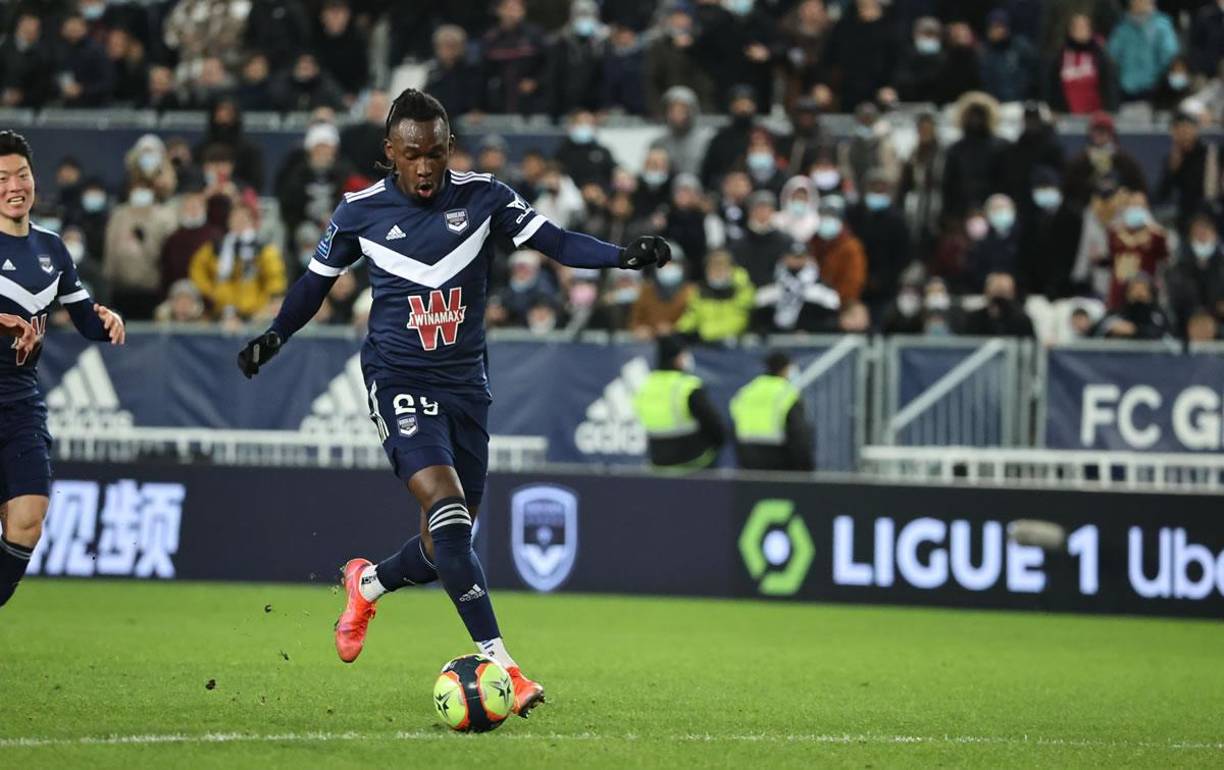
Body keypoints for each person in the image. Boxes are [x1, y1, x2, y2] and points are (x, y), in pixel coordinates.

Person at [235, 89, 669, 714]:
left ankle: (369, 582)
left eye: (436, 153)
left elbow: (556, 241)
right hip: (398, 378)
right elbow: (314, 284)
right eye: (412, 155)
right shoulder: (359, 211)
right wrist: (275, 334)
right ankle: (504, 665)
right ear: (390, 153)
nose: (426, 167)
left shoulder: (485, 196)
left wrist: (620, 257)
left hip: (467, 387)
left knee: (446, 549)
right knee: (447, 508)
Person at [0, 130, 125, 608]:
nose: (16, 185)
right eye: (3, 178)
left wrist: (105, 318)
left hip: (20, 400)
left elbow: (83, 316)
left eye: (23, 175)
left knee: (28, 520)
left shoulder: (51, 248)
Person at [632, 335, 725, 471]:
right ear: (678, 358)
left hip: (657, 461)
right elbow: (715, 426)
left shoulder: (644, 387)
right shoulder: (687, 387)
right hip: (693, 462)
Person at [730, 352, 814, 472]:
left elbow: (734, 428)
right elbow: (799, 435)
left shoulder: (745, 392)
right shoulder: (787, 393)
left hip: (748, 463)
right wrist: (806, 469)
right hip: (781, 465)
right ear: (784, 369)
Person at [752, 242, 841, 334]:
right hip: (774, 334)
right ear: (784, 257)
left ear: (808, 258)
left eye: (801, 257)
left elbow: (834, 304)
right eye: (793, 256)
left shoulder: (818, 280)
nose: (796, 260)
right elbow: (756, 302)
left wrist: (813, 296)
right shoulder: (771, 277)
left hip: (808, 336)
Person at [1157, 112, 1220, 236]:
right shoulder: (1173, 158)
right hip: (1185, 214)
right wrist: (1172, 170)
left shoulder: (1211, 152)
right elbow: (1162, 194)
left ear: (1195, 129)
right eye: (1178, 129)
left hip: (1211, 211)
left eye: (1187, 128)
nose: (1184, 133)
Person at [675, 248, 754, 343]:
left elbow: (740, 320)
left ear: (732, 268)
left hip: (735, 344)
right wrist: (677, 328)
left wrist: (740, 280)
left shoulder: (740, 290)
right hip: (705, 345)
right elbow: (692, 316)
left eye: (722, 266)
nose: (718, 271)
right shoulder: (700, 291)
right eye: (713, 266)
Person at [1107, 0, 1178, 103]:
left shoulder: (1161, 25)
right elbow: (1112, 55)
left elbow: (1169, 55)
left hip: (1154, 90)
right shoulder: (1122, 27)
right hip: (1126, 89)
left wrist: (1159, 78)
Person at [962, 272, 1034, 337]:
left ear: (1012, 294)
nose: (999, 300)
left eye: (1004, 293)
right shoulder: (974, 320)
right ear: (986, 292)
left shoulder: (1022, 322)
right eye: (996, 292)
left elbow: (1031, 346)